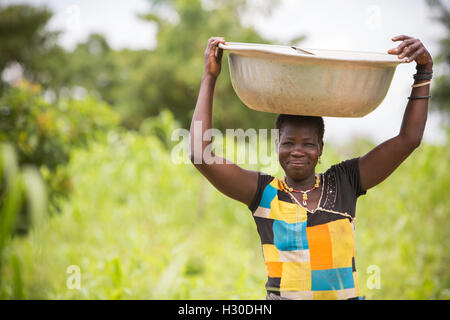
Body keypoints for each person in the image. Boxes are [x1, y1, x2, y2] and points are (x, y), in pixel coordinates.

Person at [189, 35, 433, 300]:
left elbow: (409, 139)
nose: (297, 150)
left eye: (308, 143)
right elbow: (200, 155)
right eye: (289, 142)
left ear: (320, 149)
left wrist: (424, 71)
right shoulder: (263, 193)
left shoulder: (345, 182)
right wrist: (209, 77)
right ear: (277, 145)